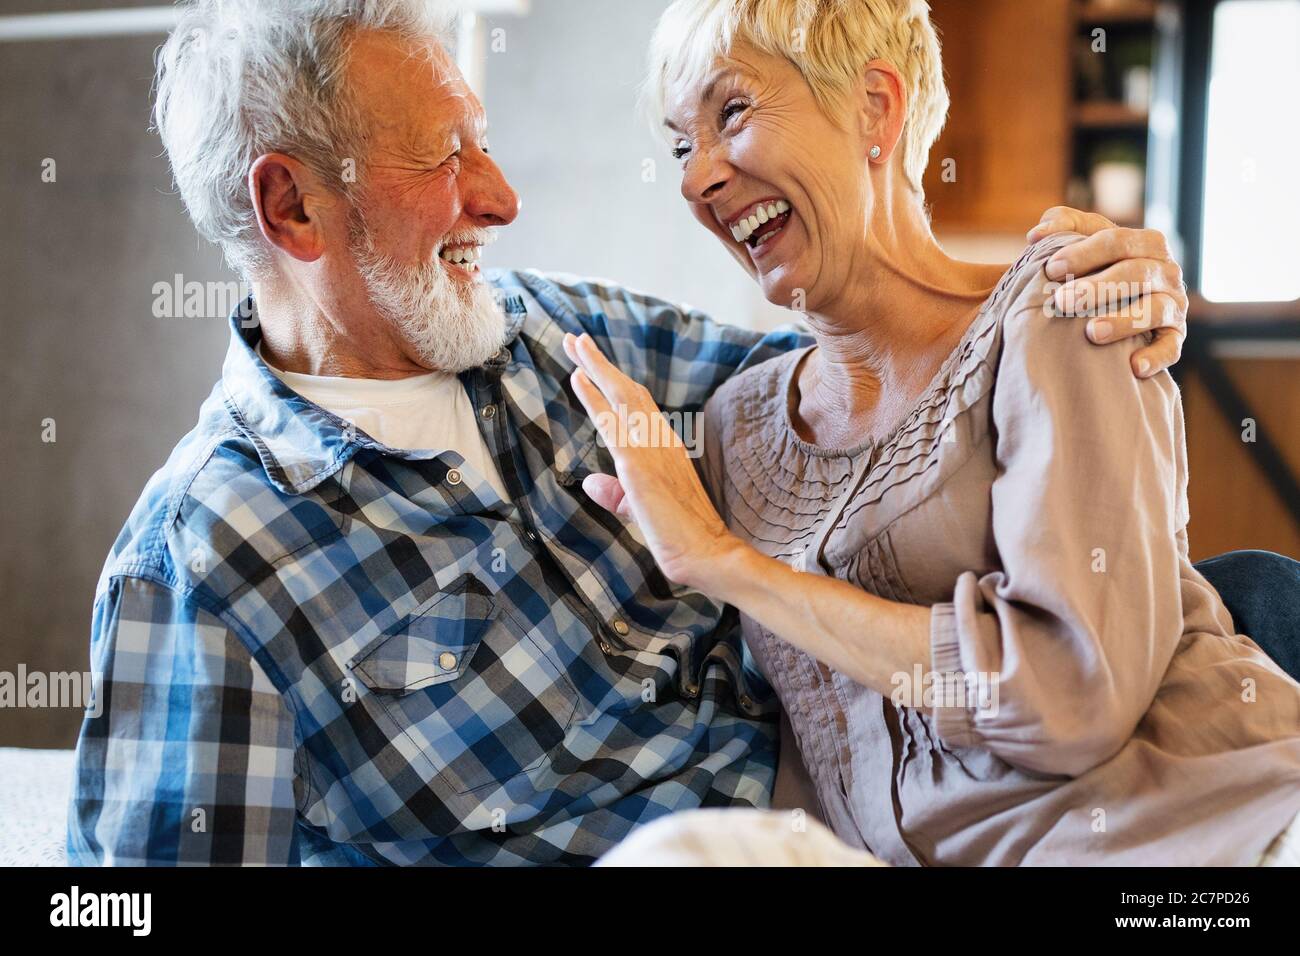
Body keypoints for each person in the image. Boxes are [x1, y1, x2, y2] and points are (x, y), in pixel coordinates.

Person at [66, 0, 1280, 866]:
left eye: (482, 138)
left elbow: (895, 397)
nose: (502, 197)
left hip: (975, 779)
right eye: (447, 155)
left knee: (1248, 599)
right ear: (291, 204)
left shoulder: (559, 336)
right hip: (760, 841)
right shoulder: (204, 565)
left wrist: (1095, 280)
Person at [564, 0, 1300, 865]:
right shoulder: (737, 422)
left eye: (733, 114)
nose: (696, 179)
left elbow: (1071, 692)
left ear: (875, 107)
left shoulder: (1067, 306)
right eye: (682, 146)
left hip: (1215, 842)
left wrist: (728, 566)